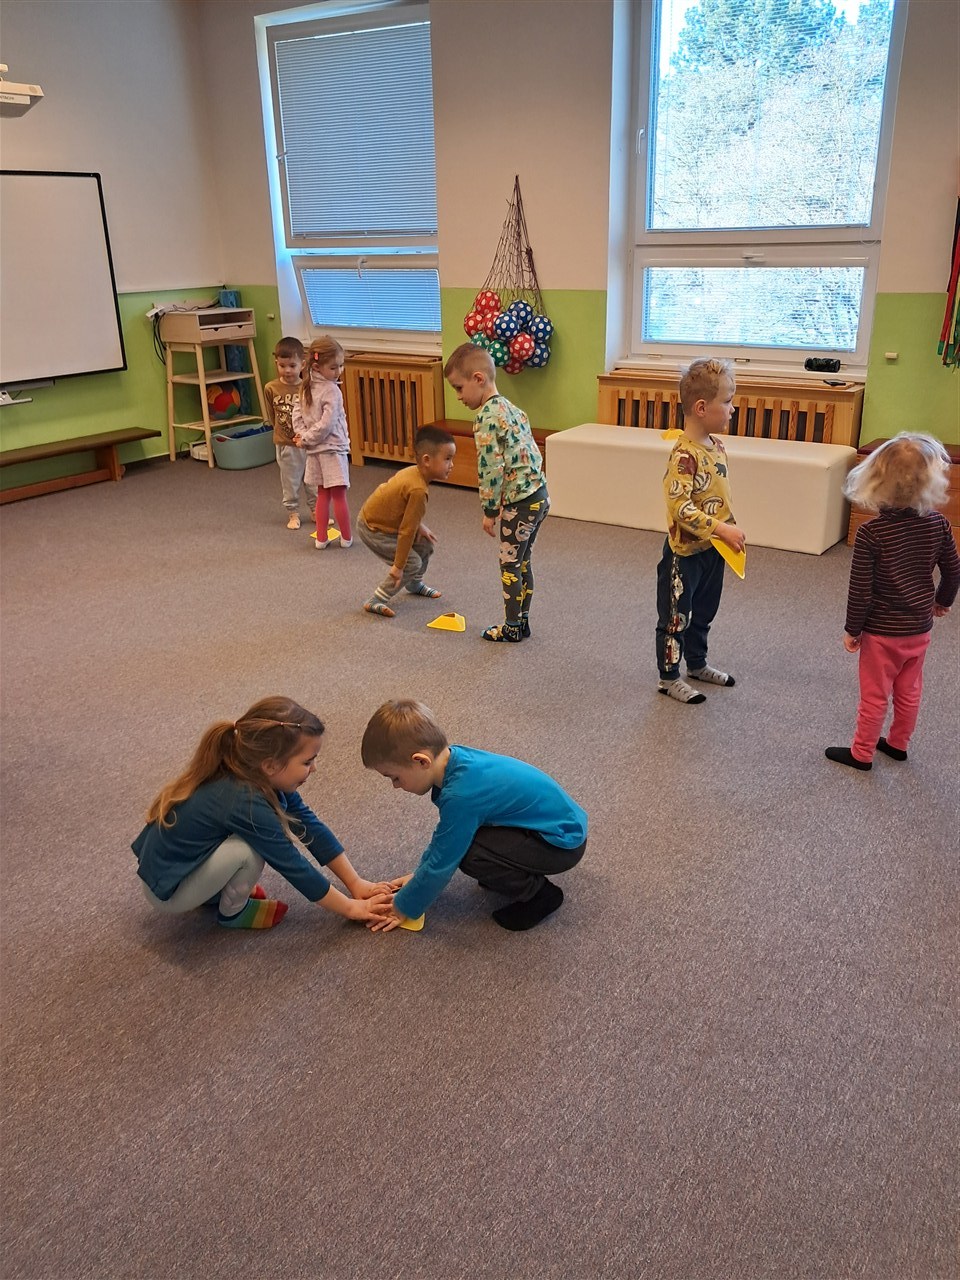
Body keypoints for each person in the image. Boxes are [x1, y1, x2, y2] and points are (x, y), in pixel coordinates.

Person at [133, 696, 394, 930]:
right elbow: (292, 864)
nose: (314, 768)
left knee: (251, 842)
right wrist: (350, 908)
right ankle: (233, 913)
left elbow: (308, 825)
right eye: (307, 761)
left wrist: (355, 883)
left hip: (180, 868)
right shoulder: (244, 800)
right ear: (270, 765)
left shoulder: (257, 773)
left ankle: (215, 891)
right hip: (170, 891)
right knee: (249, 852)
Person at [361, 699, 587, 932]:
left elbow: (444, 859)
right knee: (462, 838)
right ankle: (510, 869)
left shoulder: (461, 796)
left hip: (561, 844)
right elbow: (444, 835)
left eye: (395, 777)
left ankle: (540, 895)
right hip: (560, 826)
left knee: (468, 853)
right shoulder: (455, 760)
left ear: (421, 761)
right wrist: (418, 876)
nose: (395, 786)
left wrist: (404, 906)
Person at [825, 433, 960, 770]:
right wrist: (943, 600)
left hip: (881, 633)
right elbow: (953, 569)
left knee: (874, 695)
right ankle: (899, 744)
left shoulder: (871, 534)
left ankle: (861, 753)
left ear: (875, 482)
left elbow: (860, 589)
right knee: (909, 690)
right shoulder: (939, 525)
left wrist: (853, 629)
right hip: (919, 629)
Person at [443, 343, 549, 642]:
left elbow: (491, 469)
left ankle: (512, 627)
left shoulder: (486, 418)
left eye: (459, 388)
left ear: (478, 378)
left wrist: (490, 511)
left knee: (509, 565)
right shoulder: (513, 409)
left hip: (521, 503)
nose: (458, 396)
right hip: (540, 495)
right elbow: (532, 452)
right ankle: (522, 621)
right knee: (522, 561)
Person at [656, 356, 746, 705]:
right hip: (684, 556)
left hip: (713, 550)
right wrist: (720, 528)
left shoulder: (717, 446)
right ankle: (668, 677)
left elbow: (718, 497)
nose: (733, 409)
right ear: (701, 407)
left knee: (705, 611)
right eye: (728, 401)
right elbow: (680, 508)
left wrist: (727, 530)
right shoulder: (684, 457)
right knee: (676, 616)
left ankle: (696, 663)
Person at [357, 425, 457, 618]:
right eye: (447, 459)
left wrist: (420, 525)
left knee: (425, 544)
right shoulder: (418, 490)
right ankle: (376, 599)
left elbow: (399, 508)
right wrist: (398, 566)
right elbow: (406, 531)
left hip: (384, 521)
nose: (451, 465)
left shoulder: (415, 473)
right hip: (373, 528)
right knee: (411, 563)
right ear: (427, 460)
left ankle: (414, 583)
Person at [292, 336, 353, 549]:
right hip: (332, 449)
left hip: (314, 449)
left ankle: (321, 538)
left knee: (322, 494)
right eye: (334, 367)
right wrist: (306, 438)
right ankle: (346, 538)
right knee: (339, 494)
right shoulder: (332, 391)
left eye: (341, 366)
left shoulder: (305, 387)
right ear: (317, 366)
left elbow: (297, 417)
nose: (339, 371)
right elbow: (327, 424)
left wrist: (303, 437)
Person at [264, 336, 317, 530]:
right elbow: (271, 414)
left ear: (302, 365)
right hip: (286, 444)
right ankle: (293, 512)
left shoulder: (307, 387)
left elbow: (313, 414)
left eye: (292, 366)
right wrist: (280, 433)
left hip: (307, 443)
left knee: (312, 480)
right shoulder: (271, 388)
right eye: (282, 366)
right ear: (276, 364)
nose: (287, 370)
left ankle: (316, 510)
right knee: (290, 480)